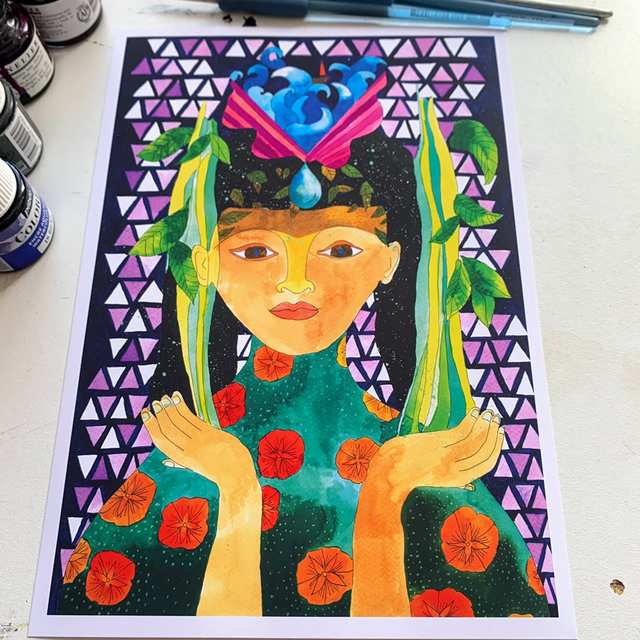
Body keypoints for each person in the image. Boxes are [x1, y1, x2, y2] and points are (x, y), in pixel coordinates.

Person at [58, 58, 550, 619]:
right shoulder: (191, 450)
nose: (295, 282)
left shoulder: (414, 455)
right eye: (254, 250)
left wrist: (388, 487)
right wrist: (235, 484)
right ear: (205, 263)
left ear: (389, 261)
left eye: (340, 249)